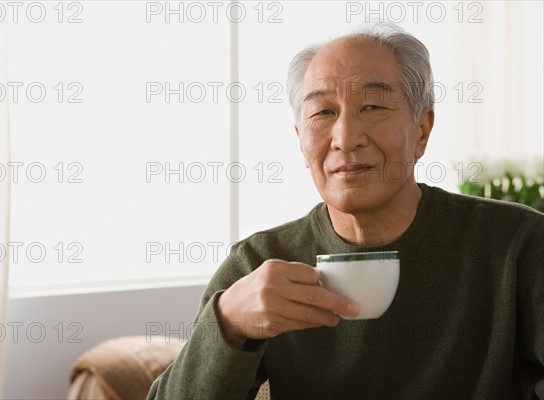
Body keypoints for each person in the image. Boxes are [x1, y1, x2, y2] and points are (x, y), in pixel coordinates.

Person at [148, 22, 544, 399]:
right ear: (301, 139)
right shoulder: (259, 263)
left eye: (372, 106)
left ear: (421, 130)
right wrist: (229, 324)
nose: (346, 138)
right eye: (323, 113)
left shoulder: (517, 246)